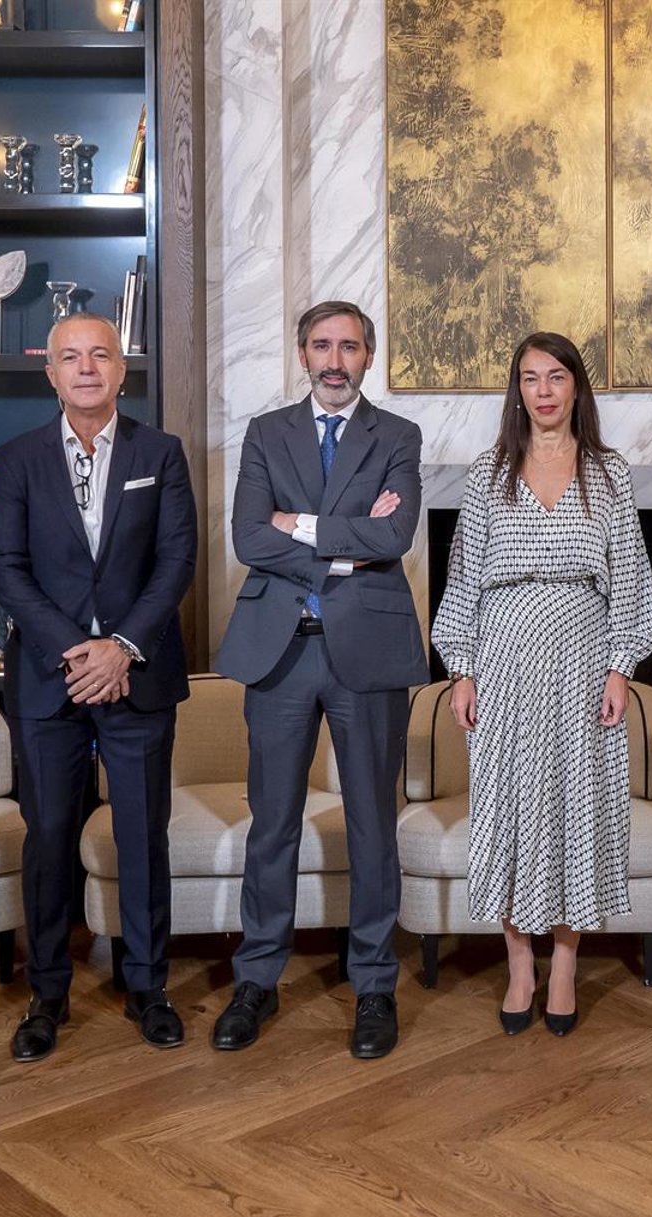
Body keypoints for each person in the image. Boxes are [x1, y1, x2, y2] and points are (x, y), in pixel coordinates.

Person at [431, 331, 652, 1037]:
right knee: (507, 806)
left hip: (583, 661)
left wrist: (620, 666)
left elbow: (632, 579)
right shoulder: (488, 472)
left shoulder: (609, 473)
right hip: (502, 660)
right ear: (518, 391)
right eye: (530, 378)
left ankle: (563, 963)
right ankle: (519, 965)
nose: (544, 391)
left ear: (575, 387)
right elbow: (462, 578)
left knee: (575, 807)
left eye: (556, 376)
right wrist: (461, 670)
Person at [214, 301, 425, 1059]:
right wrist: (343, 549)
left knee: (371, 820)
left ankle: (373, 984)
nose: (335, 360)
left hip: (367, 649)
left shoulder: (398, 435)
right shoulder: (266, 432)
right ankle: (257, 979)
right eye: (322, 345)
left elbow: (394, 535)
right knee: (272, 822)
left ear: (369, 355)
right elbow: (247, 536)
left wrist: (295, 523)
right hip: (280, 650)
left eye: (350, 347)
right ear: (302, 353)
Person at [0, 313, 197, 1058]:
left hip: (138, 676)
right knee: (48, 837)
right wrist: (78, 652)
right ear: (50, 373)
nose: (86, 368)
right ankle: (47, 993)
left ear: (121, 369)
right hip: (50, 682)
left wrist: (121, 649)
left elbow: (176, 561)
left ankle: (148, 986)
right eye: (70, 357)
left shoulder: (160, 453)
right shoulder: (16, 459)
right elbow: (7, 569)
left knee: (142, 835)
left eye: (100, 355)